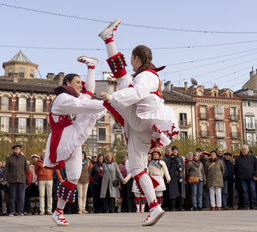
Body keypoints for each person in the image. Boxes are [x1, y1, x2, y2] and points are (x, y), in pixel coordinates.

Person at [99, 19, 179, 226]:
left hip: (142, 117)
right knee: (136, 168)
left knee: (123, 79)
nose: (131, 64)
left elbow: (137, 92)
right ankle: (154, 207)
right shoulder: (144, 75)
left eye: (132, 60)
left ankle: (109, 39)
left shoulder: (147, 75)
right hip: (139, 129)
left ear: (136, 58)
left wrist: (112, 98)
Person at [43, 56, 106, 226]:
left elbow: (88, 92)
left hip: (71, 137)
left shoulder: (74, 98)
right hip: (63, 137)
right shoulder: (63, 98)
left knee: (74, 176)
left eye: (81, 82)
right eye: (77, 82)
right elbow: (83, 105)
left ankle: (58, 212)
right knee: (87, 107)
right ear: (68, 83)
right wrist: (109, 103)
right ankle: (58, 211)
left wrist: (91, 68)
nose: (80, 84)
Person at [3, 145, 28, 216]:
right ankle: (11, 211)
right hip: (12, 180)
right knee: (12, 196)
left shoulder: (23, 158)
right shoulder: (9, 158)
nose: (17, 149)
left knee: (20, 196)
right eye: (16, 148)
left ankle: (20, 211)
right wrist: (5, 179)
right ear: (13, 149)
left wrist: (26, 180)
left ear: (20, 150)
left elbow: (26, 169)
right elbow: (6, 169)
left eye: (18, 148)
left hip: (21, 179)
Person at [234, 145, 257, 210]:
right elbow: (235, 168)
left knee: (253, 190)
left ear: (248, 150)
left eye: (245, 149)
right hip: (242, 178)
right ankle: (247, 205)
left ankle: (254, 204)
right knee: (245, 191)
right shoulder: (238, 158)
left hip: (252, 177)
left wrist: (256, 175)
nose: (244, 150)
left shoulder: (253, 157)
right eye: (242, 149)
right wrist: (238, 176)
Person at [165, 146, 185, 211]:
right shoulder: (169, 159)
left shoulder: (180, 159)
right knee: (173, 192)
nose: (174, 151)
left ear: (177, 151)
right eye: (173, 150)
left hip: (180, 177)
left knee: (181, 192)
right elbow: (167, 169)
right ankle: (172, 206)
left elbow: (182, 168)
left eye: (175, 150)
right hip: (173, 177)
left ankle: (180, 206)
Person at [35, 149, 54, 215]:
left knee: (49, 195)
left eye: (45, 152)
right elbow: (36, 171)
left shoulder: (50, 160)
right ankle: (42, 210)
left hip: (49, 179)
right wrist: (40, 175)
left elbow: (55, 169)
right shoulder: (38, 161)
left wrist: (60, 178)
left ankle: (49, 209)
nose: (44, 153)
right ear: (41, 153)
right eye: (43, 152)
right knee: (41, 195)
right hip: (41, 179)